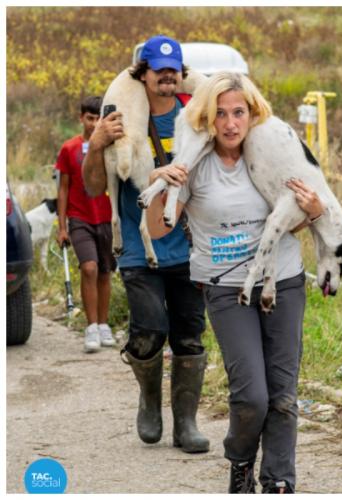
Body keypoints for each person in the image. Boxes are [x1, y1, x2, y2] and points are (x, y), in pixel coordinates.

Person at [145, 71, 323, 494]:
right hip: (225, 289)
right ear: (207, 118)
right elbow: (157, 231)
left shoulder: (272, 157)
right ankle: (241, 462)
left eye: (238, 112)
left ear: (252, 114)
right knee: (253, 396)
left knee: (283, 396)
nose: (229, 123)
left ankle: (279, 480)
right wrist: (158, 182)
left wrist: (314, 211)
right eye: (220, 114)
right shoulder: (194, 166)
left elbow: (291, 224)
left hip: (282, 282)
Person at [82, 35, 209, 454]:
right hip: (140, 252)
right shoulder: (120, 125)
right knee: (150, 331)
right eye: (159, 69)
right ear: (144, 73)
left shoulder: (195, 118)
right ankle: (149, 401)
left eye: (174, 69)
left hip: (190, 249)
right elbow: (94, 186)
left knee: (189, 336)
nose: (167, 75)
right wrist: (96, 146)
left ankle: (186, 423)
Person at [56, 95, 117, 353]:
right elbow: (63, 188)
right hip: (80, 218)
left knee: (104, 272)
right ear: (81, 118)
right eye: (89, 118)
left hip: (107, 217)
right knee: (89, 268)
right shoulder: (69, 148)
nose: (93, 124)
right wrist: (62, 227)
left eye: (98, 118)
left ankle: (104, 325)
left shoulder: (111, 147)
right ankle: (91, 327)